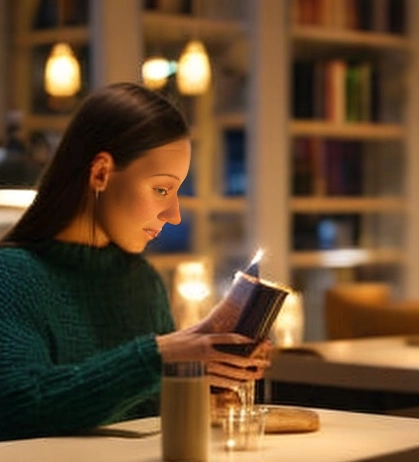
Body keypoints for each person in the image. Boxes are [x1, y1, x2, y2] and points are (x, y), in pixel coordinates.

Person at [0, 82, 270, 441]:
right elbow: (14, 406)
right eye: (161, 189)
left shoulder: (142, 281)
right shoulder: (13, 278)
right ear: (100, 173)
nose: (174, 214)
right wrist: (158, 358)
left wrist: (211, 375)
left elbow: (149, 417)